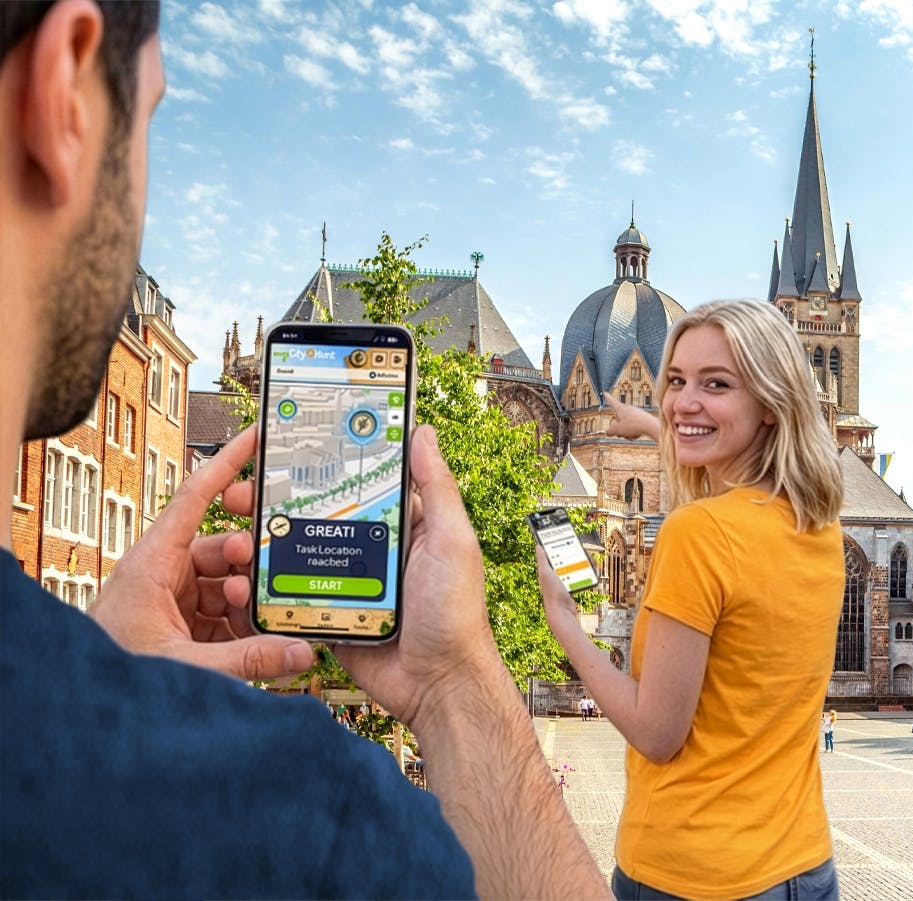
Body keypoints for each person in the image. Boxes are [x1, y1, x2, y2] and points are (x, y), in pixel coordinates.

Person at [0, 4, 609, 898]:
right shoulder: (299, 818)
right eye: (150, 119)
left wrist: (97, 675)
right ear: (65, 92)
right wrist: (457, 679)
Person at [538, 301, 846, 900]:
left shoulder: (698, 533)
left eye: (716, 384)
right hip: (803, 864)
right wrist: (654, 423)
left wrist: (567, 628)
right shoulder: (818, 523)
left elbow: (657, 734)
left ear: (771, 404)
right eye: (674, 382)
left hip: (693, 873)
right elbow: (734, 460)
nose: (682, 401)